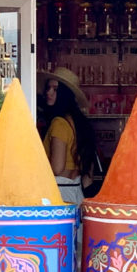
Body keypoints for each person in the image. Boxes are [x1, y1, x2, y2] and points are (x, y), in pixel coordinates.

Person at [40, 67, 99, 205]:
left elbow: (57, 168)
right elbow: (87, 175)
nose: (49, 93)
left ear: (64, 94)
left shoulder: (59, 123)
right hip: (77, 191)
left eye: (55, 89)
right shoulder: (79, 123)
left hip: (59, 193)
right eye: (48, 88)